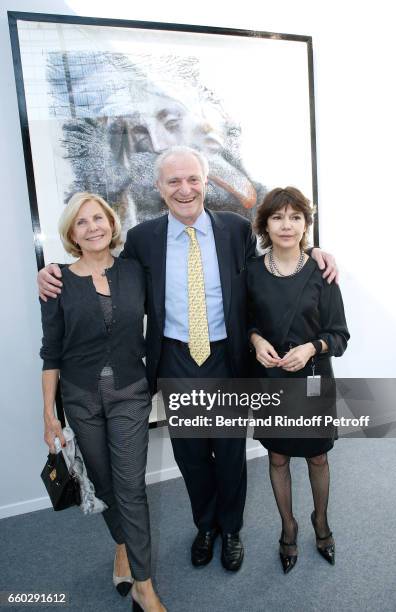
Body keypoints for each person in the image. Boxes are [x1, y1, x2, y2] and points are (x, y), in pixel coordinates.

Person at [38, 147, 338, 574]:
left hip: (226, 357)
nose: (185, 189)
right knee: (192, 456)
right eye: (174, 181)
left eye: (192, 179)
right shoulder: (143, 240)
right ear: (159, 188)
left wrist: (317, 253)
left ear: (205, 182)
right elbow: (102, 271)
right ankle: (206, 527)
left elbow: (272, 268)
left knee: (230, 453)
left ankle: (231, 529)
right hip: (176, 359)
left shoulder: (235, 230)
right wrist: (51, 272)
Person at [39, 193, 165, 612]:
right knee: (106, 484)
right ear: (71, 233)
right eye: (81, 222)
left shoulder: (135, 273)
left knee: (130, 487)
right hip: (80, 399)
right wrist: (48, 413)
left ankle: (144, 587)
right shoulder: (57, 281)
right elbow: (51, 352)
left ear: (111, 224)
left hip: (130, 392)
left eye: (99, 218)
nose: (93, 227)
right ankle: (122, 545)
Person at [247, 187, 349, 574]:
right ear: (265, 225)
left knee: (318, 456)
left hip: (312, 380)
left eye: (295, 217)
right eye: (277, 217)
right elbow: (246, 325)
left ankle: (320, 523)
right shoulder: (252, 274)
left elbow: (339, 335)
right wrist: (256, 341)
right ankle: (287, 528)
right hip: (271, 382)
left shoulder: (323, 273)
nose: (286, 225)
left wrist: (311, 348)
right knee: (277, 456)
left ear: (306, 223)